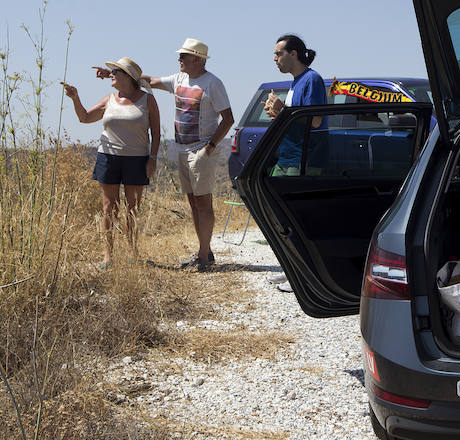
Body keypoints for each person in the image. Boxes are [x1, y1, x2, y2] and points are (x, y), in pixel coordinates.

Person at [96, 38, 234, 271]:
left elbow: (228, 118)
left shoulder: (213, 83)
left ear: (197, 59)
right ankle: (204, 252)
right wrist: (116, 74)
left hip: (201, 150)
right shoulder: (179, 79)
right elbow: (149, 80)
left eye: (183, 56)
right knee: (192, 202)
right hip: (181, 149)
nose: (179, 59)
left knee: (203, 202)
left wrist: (209, 147)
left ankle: (203, 255)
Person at [62, 57, 160, 267]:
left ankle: (133, 253)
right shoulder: (109, 99)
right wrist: (75, 98)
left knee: (132, 208)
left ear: (128, 77)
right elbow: (85, 118)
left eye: (116, 72)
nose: (111, 75)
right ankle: (108, 256)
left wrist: (152, 158)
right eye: (112, 71)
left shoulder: (147, 100)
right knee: (109, 208)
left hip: (137, 159)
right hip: (108, 157)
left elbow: (157, 132)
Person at [264, 34, 327, 176]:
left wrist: (283, 110)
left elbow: (316, 121)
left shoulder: (312, 79)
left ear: (293, 54)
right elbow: (293, 119)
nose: (275, 59)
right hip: (287, 159)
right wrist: (276, 112)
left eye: (279, 54)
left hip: (303, 162)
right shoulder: (296, 82)